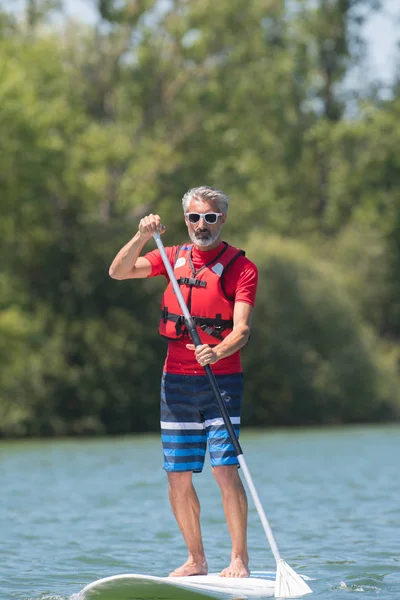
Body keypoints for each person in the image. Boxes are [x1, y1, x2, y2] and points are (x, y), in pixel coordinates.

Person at [109, 186, 258, 579]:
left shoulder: (242, 268)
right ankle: (196, 559)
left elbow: (241, 330)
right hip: (176, 383)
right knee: (177, 476)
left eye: (210, 218)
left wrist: (218, 350)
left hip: (221, 381)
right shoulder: (171, 256)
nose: (201, 225)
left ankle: (239, 559)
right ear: (186, 220)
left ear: (222, 219)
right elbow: (119, 271)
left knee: (224, 470)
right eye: (194, 217)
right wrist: (141, 235)